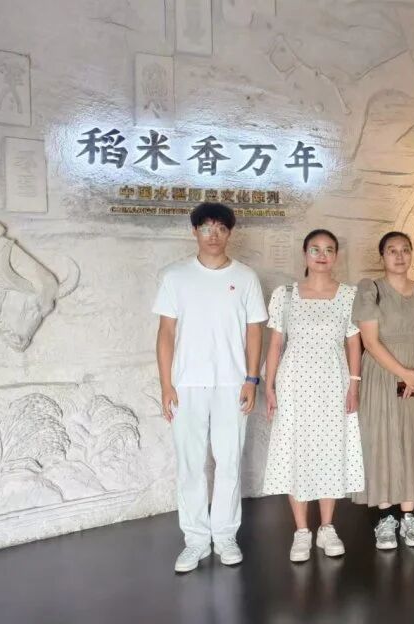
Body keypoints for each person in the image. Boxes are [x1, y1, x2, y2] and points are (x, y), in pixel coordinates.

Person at [153, 202, 267, 573]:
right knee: (190, 465)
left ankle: (226, 535)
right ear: (195, 231)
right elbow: (166, 333)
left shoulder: (245, 277)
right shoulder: (175, 276)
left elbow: (254, 331)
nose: (213, 235)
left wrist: (251, 379)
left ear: (230, 233)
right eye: (206, 228)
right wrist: (166, 384)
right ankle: (196, 540)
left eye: (220, 228)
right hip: (186, 384)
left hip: (232, 383)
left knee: (229, 461)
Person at [262, 229, 364, 563]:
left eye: (329, 249)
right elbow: (276, 344)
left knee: (329, 450)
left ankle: (327, 527)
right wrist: (269, 386)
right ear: (305, 253)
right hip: (293, 383)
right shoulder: (285, 294)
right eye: (315, 249)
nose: (322, 255)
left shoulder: (348, 295)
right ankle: (302, 531)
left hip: (333, 383)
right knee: (297, 450)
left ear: (336, 256)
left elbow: (354, 343)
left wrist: (354, 384)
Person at [351, 231, 414, 550]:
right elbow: (370, 341)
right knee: (383, 439)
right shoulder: (370, 289)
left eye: (405, 250)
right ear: (382, 256)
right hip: (381, 372)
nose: (399, 256)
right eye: (392, 250)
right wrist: (405, 373)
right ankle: (386, 518)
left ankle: (409, 516)